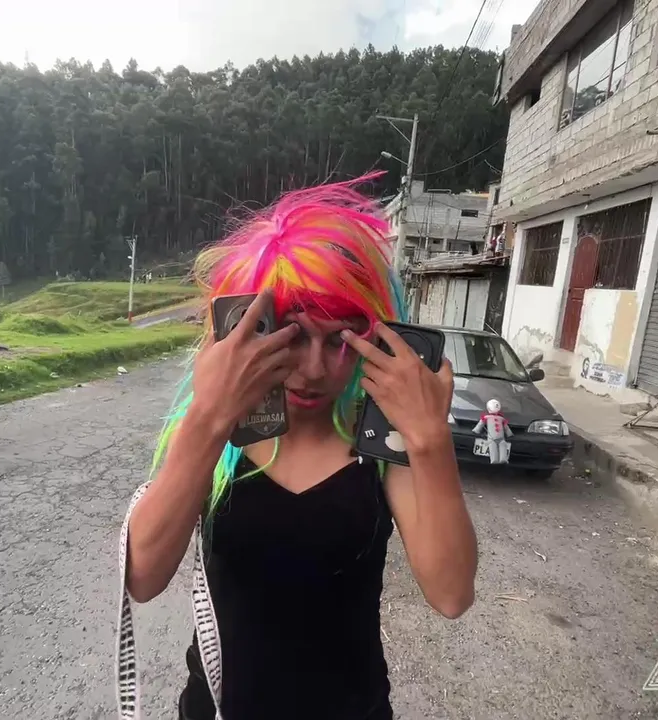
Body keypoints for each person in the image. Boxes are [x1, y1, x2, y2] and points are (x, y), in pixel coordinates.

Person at [115, 176, 478, 720]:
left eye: (339, 340)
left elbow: (451, 595)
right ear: (249, 329)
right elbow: (143, 579)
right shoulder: (221, 434)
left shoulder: (377, 441)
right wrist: (209, 416)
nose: (313, 369)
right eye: (293, 333)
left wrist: (430, 440)